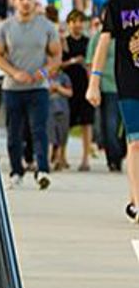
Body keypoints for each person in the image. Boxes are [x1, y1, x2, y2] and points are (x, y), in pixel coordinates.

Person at [87, 0, 139, 223]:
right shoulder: (119, 5)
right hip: (130, 82)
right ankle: (137, 200)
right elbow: (103, 44)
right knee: (135, 143)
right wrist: (94, 82)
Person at [0, 0, 61, 190]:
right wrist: (14, 72)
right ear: (14, 1)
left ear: (35, 0)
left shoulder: (46, 26)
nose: (25, 2)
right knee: (14, 132)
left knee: (39, 130)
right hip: (12, 87)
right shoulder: (6, 27)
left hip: (38, 87)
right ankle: (16, 171)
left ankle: (42, 170)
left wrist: (45, 72)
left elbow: (56, 55)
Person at [61, 9, 95, 170]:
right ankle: (61, 156)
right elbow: (58, 64)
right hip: (69, 86)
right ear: (69, 24)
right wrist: (73, 61)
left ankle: (85, 158)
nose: (78, 25)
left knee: (87, 123)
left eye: (80, 21)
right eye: (74, 22)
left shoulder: (88, 42)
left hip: (85, 86)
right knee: (66, 122)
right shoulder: (64, 42)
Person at [87, 28, 124, 172]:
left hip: (129, 86)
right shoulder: (99, 37)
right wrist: (93, 85)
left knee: (129, 128)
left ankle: (124, 151)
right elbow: (91, 62)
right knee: (110, 125)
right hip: (108, 86)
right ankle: (114, 158)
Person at [47, 69, 73, 171]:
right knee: (50, 136)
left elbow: (70, 92)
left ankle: (59, 159)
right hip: (48, 110)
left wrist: (58, 88)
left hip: (63, 109)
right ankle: (48, 160)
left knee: (62, 135)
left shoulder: (63, 77)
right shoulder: (43, 75)